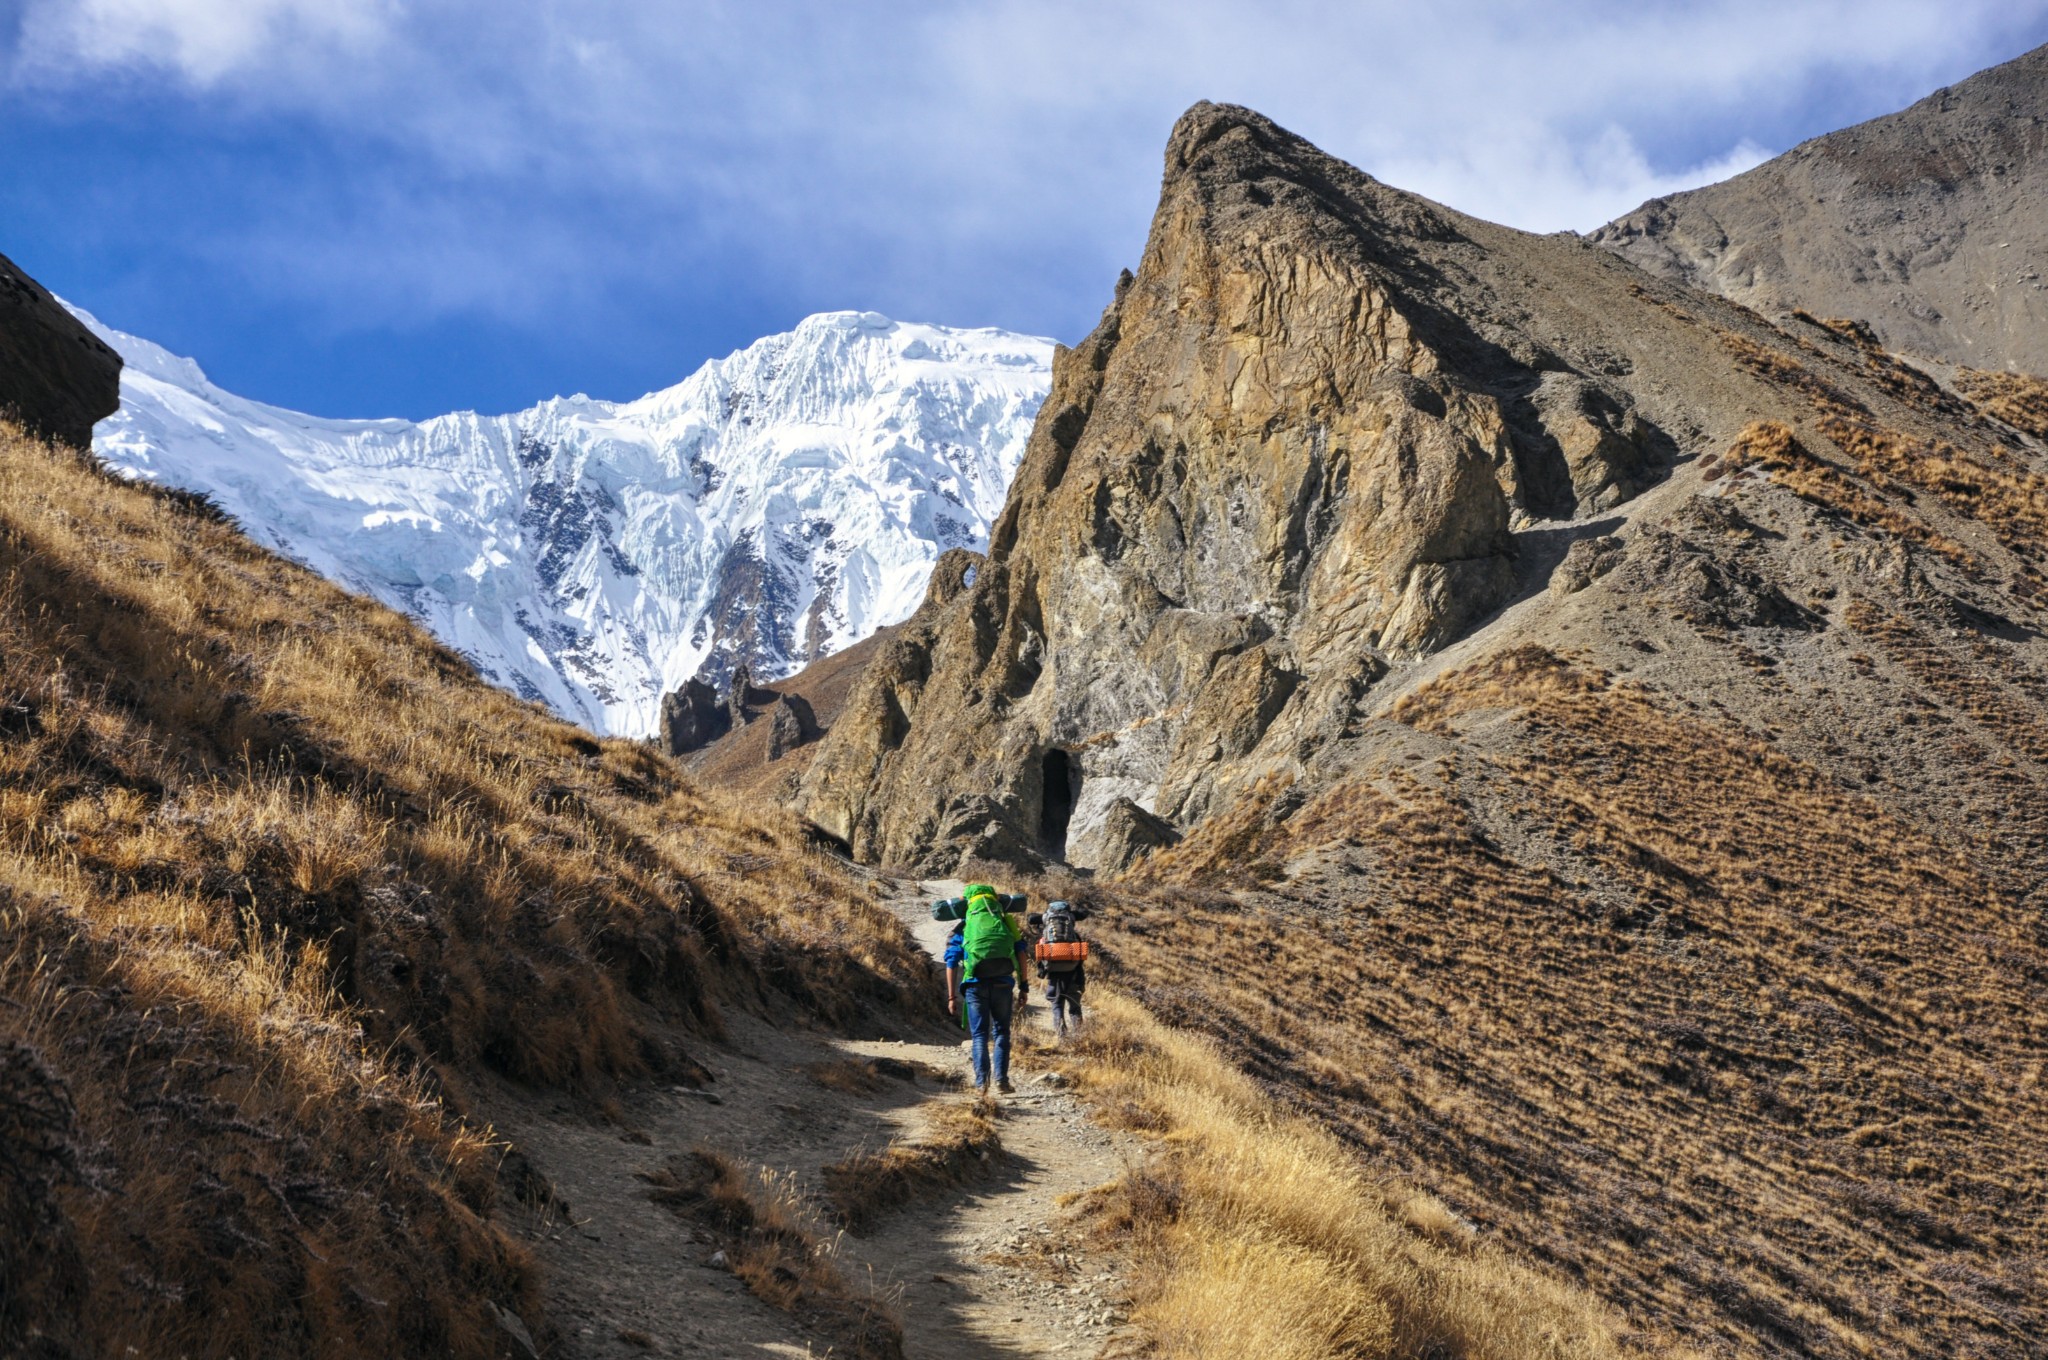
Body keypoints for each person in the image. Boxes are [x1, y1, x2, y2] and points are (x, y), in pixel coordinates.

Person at [940, 883, 1030, 1094]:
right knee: (1002, 1032)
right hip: (1003, 984)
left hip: (975, 986)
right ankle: (1002, 1081)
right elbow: (1021, 954)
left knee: (979, 1035)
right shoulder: (1004, 923)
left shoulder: (964, 927)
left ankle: (982, 1084)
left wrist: (952, 996)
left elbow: (951, 962)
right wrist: (1024, 986)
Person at [1032, 899, 1090, 1038]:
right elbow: (1084, 914)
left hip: (1053, 966)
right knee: (1074, 1004)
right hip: (1073, 968)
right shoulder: (1071, 917)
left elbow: (1031, 919)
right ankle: (1079, 1035)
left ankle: (1061, 1036)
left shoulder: (1046, 917)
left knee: (1057, 1003)